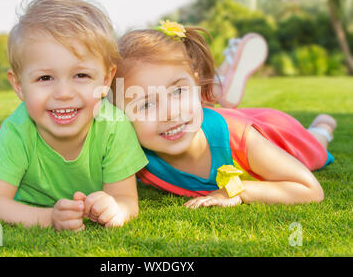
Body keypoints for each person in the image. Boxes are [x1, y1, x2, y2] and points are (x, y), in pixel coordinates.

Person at [112, 20, 336, 207]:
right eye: (146, 105)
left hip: (275, 131)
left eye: (178, 91)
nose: (169, 113)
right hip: (220, 119)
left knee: (313, 148)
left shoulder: (239, 139)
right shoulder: (135, 157)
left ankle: (322, 127)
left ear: (198, 85)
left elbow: (309, 190)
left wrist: (237, 191)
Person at [0, 0, 148, 230]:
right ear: (18, 85)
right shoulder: (17, 131)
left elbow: (126, 200)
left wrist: (115, 208)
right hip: (11, 149)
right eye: (45, 78)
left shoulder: (115, 126)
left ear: (106, 79)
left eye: (81, 75)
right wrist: (49, 218)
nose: (64, 93)